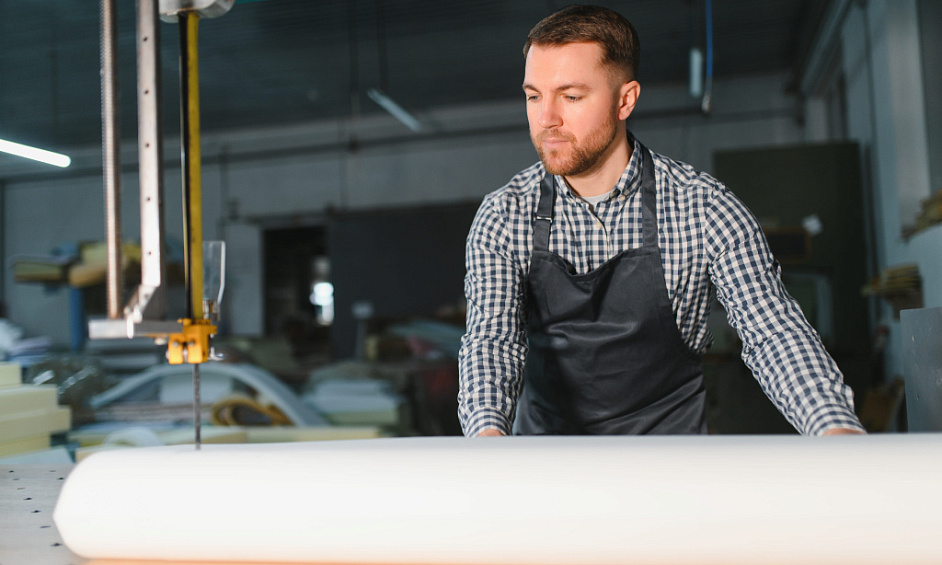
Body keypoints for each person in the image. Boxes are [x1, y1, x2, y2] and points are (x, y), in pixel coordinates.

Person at [457, 5, 865, 437]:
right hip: (551, 475)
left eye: (571, 96)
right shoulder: (504, 216)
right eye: (534, 95)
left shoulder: (704, 209)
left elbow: (773, 334)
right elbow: (492, 343)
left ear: (625, 99)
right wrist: (488, 440)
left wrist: (834, 430)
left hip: (675, 477)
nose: (545, 119)